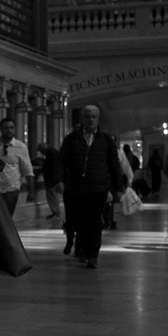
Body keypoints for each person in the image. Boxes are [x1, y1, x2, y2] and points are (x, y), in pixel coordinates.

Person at [59, 105, 123, 269]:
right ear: (82, 119)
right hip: (77, 188)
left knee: (95, 221)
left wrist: (118, 188)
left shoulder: (106, 140)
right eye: (88, 116)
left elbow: (114, 165)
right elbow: (61, 161)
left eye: (94, 116)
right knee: (80, 221)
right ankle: (82, 248)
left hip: (98, 187)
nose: (91, 120)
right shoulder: (72, 139)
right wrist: (59, 181)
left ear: (98, 119)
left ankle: (92, 254)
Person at [0, 117, 35, 215]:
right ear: (1, 129)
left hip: (12, 188)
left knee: (7, 216)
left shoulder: (21, 147)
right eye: (6, 128)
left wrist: (31, 191)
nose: (9, 130)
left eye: (11, 128)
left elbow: (28, 170)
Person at [36, 141, 64, 220]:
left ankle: (55, 212)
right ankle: (56, 212)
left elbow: (51, 168)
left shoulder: (51, 154)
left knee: (52, 196)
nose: (41, 152)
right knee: (54, 197)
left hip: (52, 180)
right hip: (56, 179)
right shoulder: (53, 153)